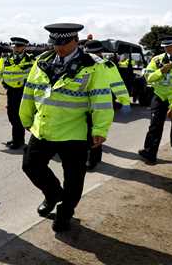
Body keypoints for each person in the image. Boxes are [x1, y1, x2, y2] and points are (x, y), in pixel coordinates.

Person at [20, 23, 114, 232]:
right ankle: (53, 194)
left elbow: (101, 100)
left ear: (75, 41)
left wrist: (100, 129)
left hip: (75, 133)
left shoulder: (92, 65)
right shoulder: (41, 62)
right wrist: (25, 118)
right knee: (30, 166)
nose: (58, 48)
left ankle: (65, 212)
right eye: (55, 43)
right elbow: (30, 91)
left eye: (63, 44)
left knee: (73, 178)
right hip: (43, 128)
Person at [84, 40, 131, 170]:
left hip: (100, 103)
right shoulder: (83, 63)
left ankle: (92, 159)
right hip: (85, 103)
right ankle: (95, 157)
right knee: (90, 131)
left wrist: (124, 101)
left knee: (94, 131)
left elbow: (117, 84)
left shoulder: (107, 65)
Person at [139, 35, 172, 163]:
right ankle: (150, 152)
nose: (167, 49)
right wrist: (161, 71)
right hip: (160, 97)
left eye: (170, 46)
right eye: (165, 47)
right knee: (155, 125)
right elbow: (148, 77)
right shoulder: (157, 59)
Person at [0, 36, 34, 149]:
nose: (16, 48)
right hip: (11, 92)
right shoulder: (5, 59)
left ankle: (18, 141)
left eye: (19, 46)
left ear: (24, 47)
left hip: (24, 92)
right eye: (14, 46)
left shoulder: (31, 60)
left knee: (20, 116)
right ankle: (17, 139)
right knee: (12, 116)